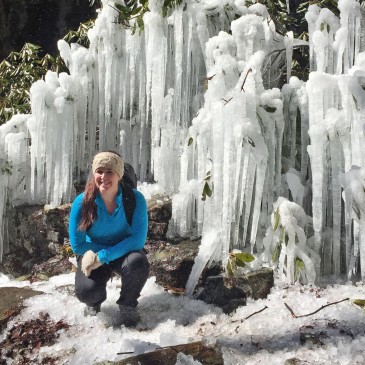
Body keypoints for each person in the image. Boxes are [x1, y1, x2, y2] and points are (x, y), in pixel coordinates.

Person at [68, 151, 149, 327]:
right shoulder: (82, 202)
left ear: (119, 175)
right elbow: (78, 243)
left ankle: (128, 304)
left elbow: (137, 241)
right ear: (94, 174)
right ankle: (93, 303)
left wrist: (103, 256)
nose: (104, 177)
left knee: (138, 262)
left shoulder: (135, 199)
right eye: (100, 171)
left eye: (110, 172)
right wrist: (94, 256)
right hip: (91, 252)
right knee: (86, 291)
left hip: (123, 251)